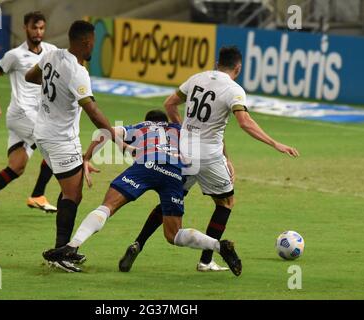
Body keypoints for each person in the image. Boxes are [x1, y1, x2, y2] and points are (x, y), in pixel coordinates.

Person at [118, 46, 300, 273]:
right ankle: (206, 260)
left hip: (183, 152)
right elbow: (244, 122)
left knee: (171, 197)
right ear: (238, 67)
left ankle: (138, 243)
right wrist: (275, 143)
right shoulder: (234, 90)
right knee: (225, 203)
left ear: (217, 63)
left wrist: (182, 130)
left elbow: (169, 104)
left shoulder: (197, 78)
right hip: (209, 157)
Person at [41, 110, 243, 276]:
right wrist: (226, 159)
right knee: (173, 235)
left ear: (147, 121)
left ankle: (73, 245)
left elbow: (104, 132)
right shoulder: (180, 129)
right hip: (172, 173)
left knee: (108, 206)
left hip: (145, 167)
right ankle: (218, 246)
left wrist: (86, 158)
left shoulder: (140, 127)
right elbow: (210, 138)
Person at [25, 20, 119, 271]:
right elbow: (93, 111)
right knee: (73, 194)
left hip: (42, 133)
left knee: (70, 191)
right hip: (60, 139)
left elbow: (30, 76)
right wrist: (113, 135)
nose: (93, 47)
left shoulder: (52, 55)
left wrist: (53, 89)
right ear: (87, 42)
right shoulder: (78, 72)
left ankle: (62, 250)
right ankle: (61, 254)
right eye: (93, 43)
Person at [0, 11, 57, 217]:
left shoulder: (51, 51)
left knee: (17, 167)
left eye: (41, 28)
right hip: (21, 114)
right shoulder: (15, 55)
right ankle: (38, 195)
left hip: (35, 116)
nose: (38, 32)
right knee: (54, 144)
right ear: (25, 28)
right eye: (34, 28)